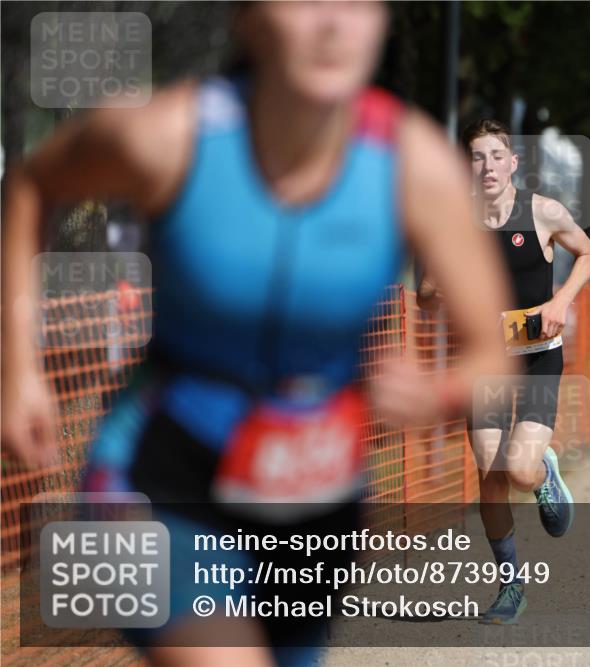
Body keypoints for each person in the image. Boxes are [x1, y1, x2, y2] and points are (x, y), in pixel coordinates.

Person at [1, 3, 511, 665]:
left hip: (315, 496)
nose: (333, 23)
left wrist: (438, 391)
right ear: (247, 18)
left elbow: (490, 353)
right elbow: (32, 187)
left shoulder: (414, 166)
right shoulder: (169, 134)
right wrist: (16, 369)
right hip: (155, 476)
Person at [419, 119, 590, 624]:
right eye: (477, 158)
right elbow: (428, 298)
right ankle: (510, 586)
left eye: (497, 156)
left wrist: (562, 298)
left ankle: (544, 475)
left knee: (519, 470)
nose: (488, 167)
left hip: (539, 354)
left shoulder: (544, 212)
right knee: (490, 473)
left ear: (513, 162)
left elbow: (589, 253)